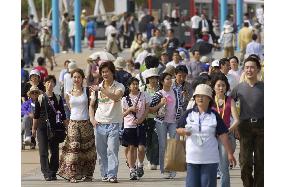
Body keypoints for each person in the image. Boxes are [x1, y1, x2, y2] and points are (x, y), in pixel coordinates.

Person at [176, 84, 236, 187]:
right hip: (192, 159)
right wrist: (183, 131)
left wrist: (230, 153)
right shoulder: (188, 113)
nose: (200, 98)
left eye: (203, 95)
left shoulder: (214, 115)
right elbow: (178, 129)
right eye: (197, 95)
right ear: (194, 98)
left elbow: (223, 135)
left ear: (209, 98)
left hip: (209, 159)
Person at [89, 61, 125, 183]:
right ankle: (104, 173)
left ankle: (112, 175)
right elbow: (92, 105)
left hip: (114, 123)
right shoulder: (97, 87)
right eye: (102, 72)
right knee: (101, 152)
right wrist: (92, 119)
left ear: (112, 72)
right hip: (99, 123)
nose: (104, 74)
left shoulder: (119, 86)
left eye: (107, 71)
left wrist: (101, 89)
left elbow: (116, 97)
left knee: (112, 150)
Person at [58, 68, 96, 183]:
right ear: (72, 78)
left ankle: (88, 175)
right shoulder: (68, 93)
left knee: (87, 150)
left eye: (79, 77)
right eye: (74, 77)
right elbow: (70, 109)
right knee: (73, 149)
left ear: (82, 78)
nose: (76, 79)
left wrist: (92, 118)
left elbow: (91, 106)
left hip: (85, 123)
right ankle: (72, 175)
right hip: (73, 124)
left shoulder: (87, 91)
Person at [230, 56, 264, 187]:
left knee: (261, 162)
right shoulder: (238, 88)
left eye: (252, 67)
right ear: (244, 70)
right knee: (244, 162)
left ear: (258, 69)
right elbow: (230, 106)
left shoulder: (264, 87)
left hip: (262, 126)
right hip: (244, 127)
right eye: (247, 67)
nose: (249, 70)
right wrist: (235, 125)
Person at [32, 75, 68, 181]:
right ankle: (46, 173)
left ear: (54, 84)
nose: (49, 84)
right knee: (43, 151)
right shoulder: (40, 98)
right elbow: (36, 115)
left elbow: (63, 114)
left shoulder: (58, 98)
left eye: (52, 82)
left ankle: (53, 172)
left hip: (55, 128)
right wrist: (34, 129)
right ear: (44, 84)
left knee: (55, 151)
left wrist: (67, 126)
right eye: (47, 82)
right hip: (42, 128)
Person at [149, 72, 183, 179]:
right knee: (163, 145)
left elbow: (180, 106)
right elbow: (151, 108)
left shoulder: (176, 92)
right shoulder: (159, 94)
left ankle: (172, 169)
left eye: (171, 78)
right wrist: (161, 103)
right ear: (162, 81)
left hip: (174, 122)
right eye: (168, 79)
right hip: (161, 122)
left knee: (173, 145)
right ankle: (164, 170)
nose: (170, 80)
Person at [211, 73, 240, 187]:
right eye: (218, 85)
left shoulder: (230, 100)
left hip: (227, 137)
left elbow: (237, 120)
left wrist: (228, 130)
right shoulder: (209, 101)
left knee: (223, 167)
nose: (221, 88)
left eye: (223, 85)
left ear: (227, 87)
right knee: (212, 167)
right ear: (214, 87)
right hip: (212, 136)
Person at [122, 77, 150, 180]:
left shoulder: (144, 95)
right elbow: (122, 114)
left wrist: (142, 119)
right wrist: (130, 109)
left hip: (141, 125)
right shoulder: (125, 99)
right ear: (129, 86)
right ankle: (132, 170)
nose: (135, 86)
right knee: (131, 148)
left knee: (142, 148)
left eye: (136, 84)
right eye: (133, 84)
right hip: (129, 126)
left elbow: (147, 109)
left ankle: (140, 164)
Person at [140, 68, 160, 170]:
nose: (153, 80)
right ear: (148, 79)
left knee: (156, 140)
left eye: (155, 78)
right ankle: (149, 158)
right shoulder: (143, 89)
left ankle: (154, 161)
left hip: (157, 119)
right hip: (146, 118)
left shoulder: (160, 90)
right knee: (147, 140)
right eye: (151, 78)